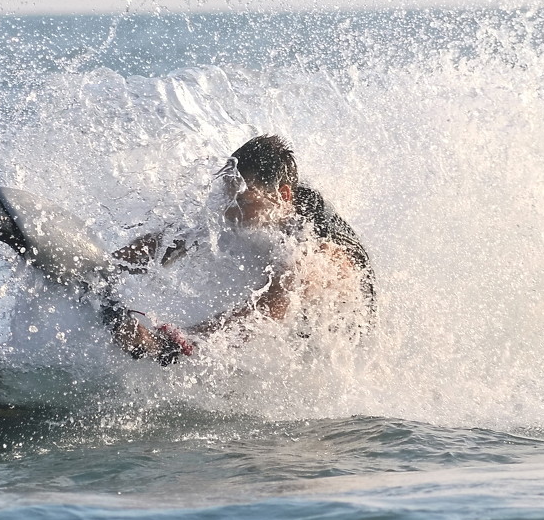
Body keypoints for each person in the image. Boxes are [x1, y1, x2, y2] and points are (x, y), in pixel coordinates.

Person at [105, 134, 376, 365]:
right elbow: (173, 239)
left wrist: (174, 342)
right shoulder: (252, 207)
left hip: (339, 344)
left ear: (283, 195)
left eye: (243, 201)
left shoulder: (316, 243)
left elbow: (276, 304)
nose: (230, 211)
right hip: (295, 320)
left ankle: (178, 346)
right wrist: (105, 268)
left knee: (301, 270)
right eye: (228, 197)